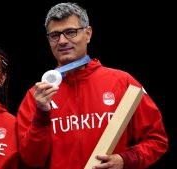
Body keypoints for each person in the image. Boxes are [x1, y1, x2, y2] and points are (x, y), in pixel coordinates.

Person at [17, 2, 168, 169]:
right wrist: (41, 114)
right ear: (48, 40)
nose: (62, 41)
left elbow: (157, 140)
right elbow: (31, 160)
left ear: (88, 33)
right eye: (55, 35)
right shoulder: (36, 96)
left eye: (70, 32)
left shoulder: (123, 82)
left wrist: (125, 160)